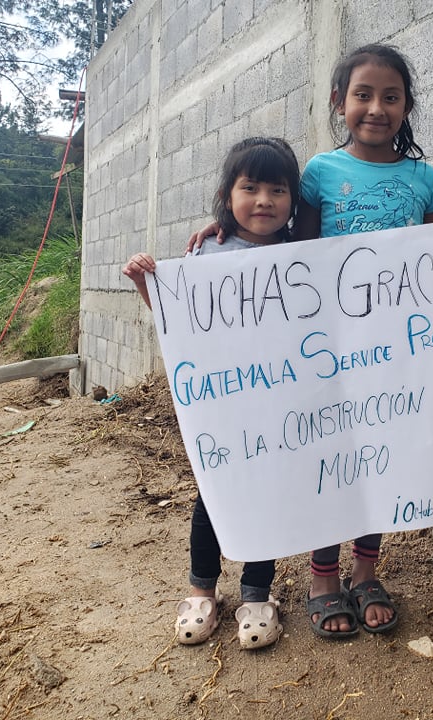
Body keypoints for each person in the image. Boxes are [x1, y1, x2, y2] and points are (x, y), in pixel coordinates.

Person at [186, 44, 433, 639]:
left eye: (390, 96)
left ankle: (367, 570)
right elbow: (295, 257)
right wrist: (224, 229)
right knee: (329, 460)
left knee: (382, 457)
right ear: (339, 102)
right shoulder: (318, 172)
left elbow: (431, 264)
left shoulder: (424, 178)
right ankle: (323, 577)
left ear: (407, 105)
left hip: (395, 354)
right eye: (362, 95)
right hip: (330, 355)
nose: (376, 107)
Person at [123, 136, 301, 650]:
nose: (264, 200)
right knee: (213, 494)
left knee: (267, 496)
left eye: (278, 189)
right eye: (250, 188)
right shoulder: (209, 249)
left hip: (279, 405)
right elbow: (180, 322)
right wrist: (146, 284)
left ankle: (256, 594)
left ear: (293, 201)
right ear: (228, 193)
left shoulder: (301, 255)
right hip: (222, 410)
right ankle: (202, 590)